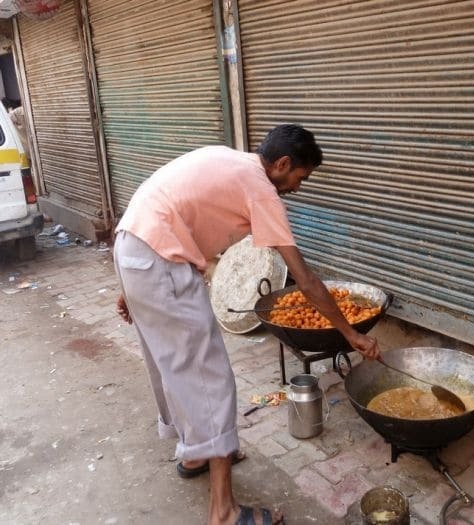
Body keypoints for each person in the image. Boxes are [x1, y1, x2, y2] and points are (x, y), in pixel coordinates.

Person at [113, 124, 380, 525]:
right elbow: (305, 280)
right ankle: (223, 511)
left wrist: (130, 283)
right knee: (210, 379)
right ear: (283, 164)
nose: (297, 187)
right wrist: (351, 333)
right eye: (299, 178)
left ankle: (199, 452)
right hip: (159, 263)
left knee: (174, 366)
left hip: (135, 251)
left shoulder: (228, 158)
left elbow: (156, 206)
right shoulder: (261, 189)